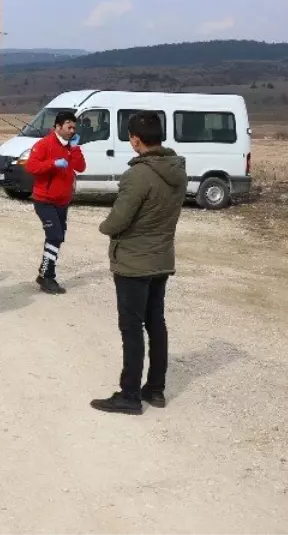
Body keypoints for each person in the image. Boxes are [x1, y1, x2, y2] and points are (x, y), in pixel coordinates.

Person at [90, 112, 186, 415]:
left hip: (133, 262)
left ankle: (129, 394)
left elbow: (119, 219)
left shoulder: (138, 175)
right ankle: (155, 389)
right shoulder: (177, 169)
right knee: (155, 322)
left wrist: (105, 228)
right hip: (161, 258)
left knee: (131, 328)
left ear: (135, 139)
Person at [24, 110, 87, 294]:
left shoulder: (70, 146)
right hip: (45, 200)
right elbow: (31, 166)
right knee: (55, 235)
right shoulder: (44, 144)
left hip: (62, 200)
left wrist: (75, 149)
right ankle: (47, 276)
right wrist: (52, 163)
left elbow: (81, 167)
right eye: (69, 127)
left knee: (58, 237)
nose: (72, 130)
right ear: (58, 127)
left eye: (74, 127)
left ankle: (45, 274)